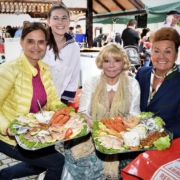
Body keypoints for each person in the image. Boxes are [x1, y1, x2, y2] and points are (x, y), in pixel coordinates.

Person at [61, 43, 141, 180]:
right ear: (100, 62)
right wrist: (89, 122)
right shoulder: (91, 82)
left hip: (122, 138)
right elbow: (83, 112)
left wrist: (121, 132)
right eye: (106, 61)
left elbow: (134, 116)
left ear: (124, 63)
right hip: (92, 136)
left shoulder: (132, 84)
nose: (111, 65)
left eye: (117, 61)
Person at [0, 22, 65, 180]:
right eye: (30, 41)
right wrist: (7, 128)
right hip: (9, 137)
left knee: (39, 165)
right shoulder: (9, 69)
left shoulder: (44, 68)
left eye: (41, 41)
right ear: (21, 41)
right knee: (58, 163)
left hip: (34, 133)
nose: (36, 46)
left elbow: (53, 100)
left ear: (46, 44)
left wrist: (65, 111)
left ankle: (4, 175)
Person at [136, 27, 180, 139]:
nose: (161, 57)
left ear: (176, 54)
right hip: (135, 141)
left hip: (167, 146)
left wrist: (161, 134)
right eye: (156, 51)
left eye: (168, 51)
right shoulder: (141, 73)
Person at [42, 4, 81, 104]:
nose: (60, 22)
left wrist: (63, 102)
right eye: (55, 18)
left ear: (69, 21)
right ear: (48, 21)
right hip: (34, 101)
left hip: (59, 101)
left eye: (64, 18)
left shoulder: (74, 47)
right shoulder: (39, 43)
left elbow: (74, 76)